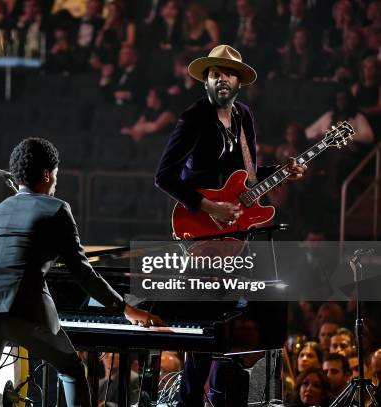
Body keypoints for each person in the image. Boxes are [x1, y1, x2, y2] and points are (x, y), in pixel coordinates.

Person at [0, 137, 163, 406]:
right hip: (22, 308)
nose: (55, 182)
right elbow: (83, 274)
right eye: (55, 175)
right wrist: (126, 309)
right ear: (46, 174)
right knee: (73, 369)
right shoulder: (56, 209)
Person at [154, 44, 307, 406]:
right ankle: (190, 400)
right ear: (206, 80)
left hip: (239, 236)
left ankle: (233, 396)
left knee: (247, 323)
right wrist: (208, 205)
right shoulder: (193, 118)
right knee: (205, 322)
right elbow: (164, 176)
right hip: (202, 229)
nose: (221, 78)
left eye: (228, 73)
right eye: (214, 73)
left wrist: (284, 171)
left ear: (239, 81)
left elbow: (248, 180)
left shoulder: (244, 118)